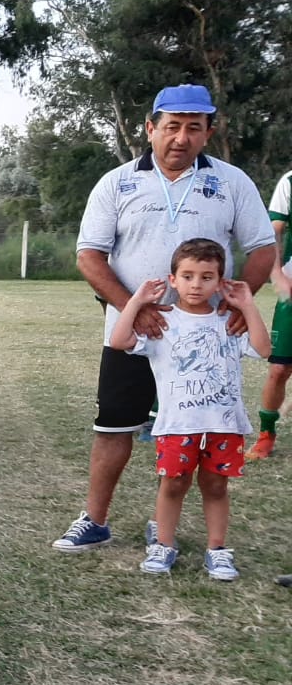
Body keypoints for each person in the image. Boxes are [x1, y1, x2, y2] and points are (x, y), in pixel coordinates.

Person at [52, 84, 276, 552]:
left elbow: (262, 249)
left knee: (184, 430)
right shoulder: (117, 182)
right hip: (137, 333)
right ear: (150, 128)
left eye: (194, 128)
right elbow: (89, 256)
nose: (181, 138)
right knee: (114, 426)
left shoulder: (232, 182)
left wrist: (239, 304)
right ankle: (95, 520)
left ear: (208, 132)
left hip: (203, 339)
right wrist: (135, 310)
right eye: (172, 126)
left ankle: (163, 524)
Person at [110, 238, 269, 579]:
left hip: (224, 425)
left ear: (220, 281)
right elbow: (119, 341)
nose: (196, 284)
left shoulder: (229, 321)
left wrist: (247, 305)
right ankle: (163, 544)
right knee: (173, 484)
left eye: (207, 277)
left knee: (216, 486)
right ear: (173, 280)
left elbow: (263, 349)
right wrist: (137, 302)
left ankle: (218, 550)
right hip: (178, 424)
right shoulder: (162, 322)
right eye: (188, 276)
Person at [244, 166, 292, 460]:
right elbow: (272, 232)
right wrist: (277, 275)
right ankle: (266, 435)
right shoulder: (289, 181)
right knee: (279, 369)